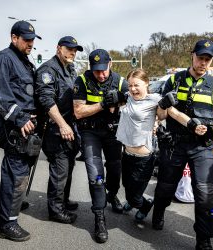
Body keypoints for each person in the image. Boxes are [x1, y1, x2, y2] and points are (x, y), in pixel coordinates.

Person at [152, 39, 213, 250]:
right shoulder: (175, 80)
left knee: (206, 195)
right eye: (200, 57)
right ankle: (158, 212)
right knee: (164, 188)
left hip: (202, 147)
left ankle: (203, 239)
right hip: (174, 144)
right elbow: (162, 110)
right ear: (192, 55)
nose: (203, 63)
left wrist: (210, 124)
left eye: (207, 59)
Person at [0, 20, 41, 241]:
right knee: (15, 172)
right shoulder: (2, 59)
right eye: (26, 39)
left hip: (28, 126)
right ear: (14, 38)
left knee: (22, 170)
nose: (30, 44)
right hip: (15, 127)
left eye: (32, 40)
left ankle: (13, 204)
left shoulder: (24, 62)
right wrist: (19, 118)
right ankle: (6, 224)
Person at [73, 49, 128, 243]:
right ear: (91, 68)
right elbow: (78, 111)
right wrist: (103, 104)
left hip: (113, 133)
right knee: (96, 176)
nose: (101, 75)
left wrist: (120, 102)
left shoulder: (121, 81)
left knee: (115, 170)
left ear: (110, 64)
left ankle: (112, 194)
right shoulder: (82, 81)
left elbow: (132, 104)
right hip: (91, 133)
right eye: (97, 71)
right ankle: (99, 216)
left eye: (104, 70)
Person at [35, 36, 83, 224]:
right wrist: (62, 124)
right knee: (59, 169)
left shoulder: (70, 68)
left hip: (70, 128)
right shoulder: (48, 70)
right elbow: (47, 101)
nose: (73, 52)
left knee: (68, 166)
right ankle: (55, 210)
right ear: (58, 49)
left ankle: (63, 200)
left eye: (75, 50)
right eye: (69, 48)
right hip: (55, 129)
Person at [116, 68, 167, 222]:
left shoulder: (155, 99)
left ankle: (145, 204)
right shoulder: (128, 97)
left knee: (135, 196)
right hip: (127, 154)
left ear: (146, 83)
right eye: (130, 85)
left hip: (143, 158)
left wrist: (164, 105)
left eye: (136, 85)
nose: (132, 89)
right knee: (126, 186)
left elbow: (162, 116)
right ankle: (132, 202)